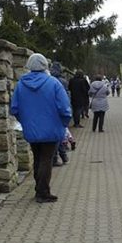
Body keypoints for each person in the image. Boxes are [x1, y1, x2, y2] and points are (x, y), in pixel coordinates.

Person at [11, 54, 72, 203]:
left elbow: (15, 108)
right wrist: (63, 124)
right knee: (46, 159)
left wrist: (25, 121)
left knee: (38, 158)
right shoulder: (54, 83)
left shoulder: (21, 84)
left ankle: (39, 188)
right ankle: (43, 192)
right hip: (52, 129)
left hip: (31, 129)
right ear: (45, 65)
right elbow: (64, 108)